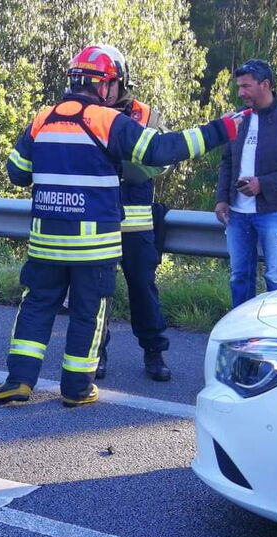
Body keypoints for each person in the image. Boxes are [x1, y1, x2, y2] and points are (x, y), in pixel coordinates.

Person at [0, 45, 239, 408]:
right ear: (104, 85)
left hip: (46, 242)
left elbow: (16, 173)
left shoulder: (42, 119)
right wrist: (221, 129)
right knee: (87, 314)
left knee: (36, 307)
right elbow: (162, 150)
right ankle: (76, 389)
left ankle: (19, 381)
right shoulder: (107, 121)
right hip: (94, 246)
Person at [93, 45, 172, 382]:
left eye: (108, 82)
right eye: (98, 83)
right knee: (97, 293)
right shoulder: (87, 113)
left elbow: (164, 159)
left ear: (121, 81)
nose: (103, 90)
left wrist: (130, 165)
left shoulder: (146, 114)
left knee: (143, 290)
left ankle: (154, 353)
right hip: (98, 220)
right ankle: (96, 354)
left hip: (137, 222)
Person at [215, 59, 277, 308]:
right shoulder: (239, 118)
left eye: (246, 86)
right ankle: (240, 328)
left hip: (275, 212)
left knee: (276, 277)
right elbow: (227, 161)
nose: (241, 93)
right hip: (237, 213)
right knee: (239, 277)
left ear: (265, 85)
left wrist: (264, 183)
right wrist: (222, 199)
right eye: (239, 86)